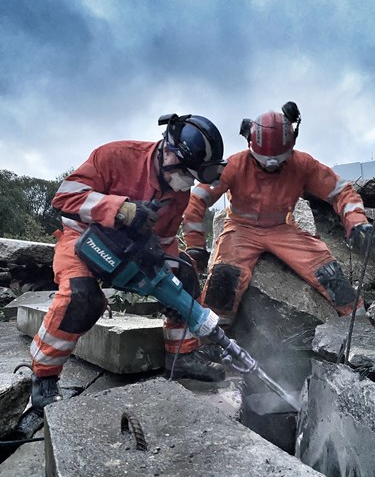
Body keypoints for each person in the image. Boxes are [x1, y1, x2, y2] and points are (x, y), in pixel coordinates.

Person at [30, 113, 228, 413]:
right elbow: (64, 197)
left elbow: (165, 242)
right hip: (83, 238)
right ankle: (44, 377)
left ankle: (182, 355)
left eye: (193, 178)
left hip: (133, 252)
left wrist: (166, 272)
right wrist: (119, 209)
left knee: (184, 277)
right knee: (80, 298)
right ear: (169, 151)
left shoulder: (179, 195)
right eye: (187, 174)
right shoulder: (116, 155)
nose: (186, 183)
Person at [182, 102, 372, 333]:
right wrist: (195, 247)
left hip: (282, 228)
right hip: (241, 230)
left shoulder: (303, 165)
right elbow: (197, 199)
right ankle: (212, 340)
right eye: (264, 163)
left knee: (328, 273)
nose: (271, 168)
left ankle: (361, 328)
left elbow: (340, 191)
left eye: (279, 162)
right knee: (224, 280)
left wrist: (357, 222)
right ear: (250, 144)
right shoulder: (234, 165)